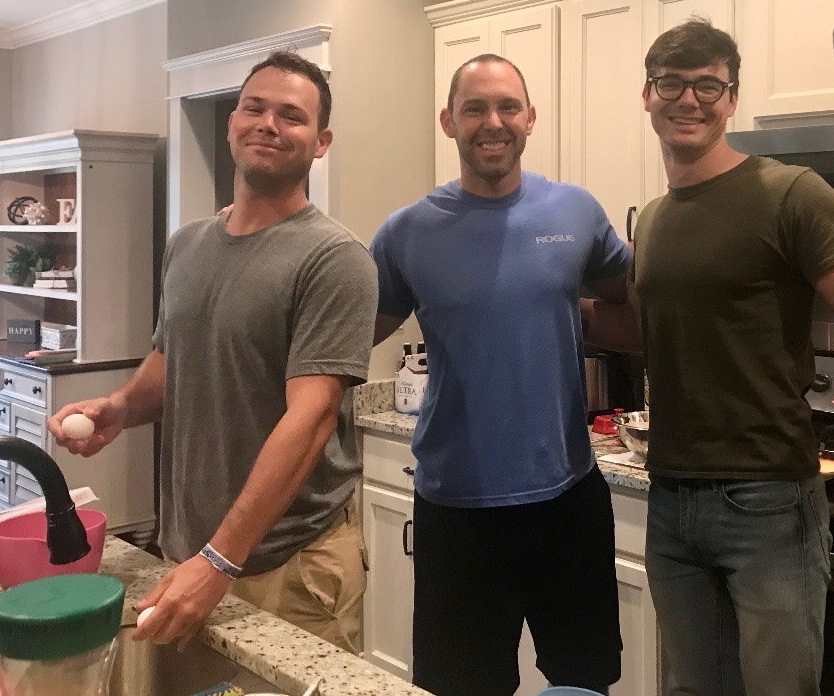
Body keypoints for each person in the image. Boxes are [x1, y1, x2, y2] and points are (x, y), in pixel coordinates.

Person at [584, 19, 834, 696]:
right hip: (671, 493)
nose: (689, 99)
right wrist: (534, 295)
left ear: (731, 99)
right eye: (671, 83)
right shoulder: (653, 218)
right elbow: (647, 329)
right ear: (646, 96)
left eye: (708, 85)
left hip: (765, 498)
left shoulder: (788, 193)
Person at [48, 50, 378, 652]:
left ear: (321, 142)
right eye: (254, 108)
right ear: (232, 125)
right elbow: (173, 359)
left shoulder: (334, 259)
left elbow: (312, 418)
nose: (268, 124)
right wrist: (120, 407)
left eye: (291, 116)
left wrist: (220, 559)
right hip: (191, 553)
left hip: (289, 566)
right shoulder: (187, 246)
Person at [369, 54, 629, 696]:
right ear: (448, 121)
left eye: (508, 106)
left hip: (568, 498)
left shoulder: (575, 212)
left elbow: (636, 305)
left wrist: (572, 310)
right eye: (475, 108)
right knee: (462, 687)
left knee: (584, 683)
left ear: (530, 117)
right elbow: (347, 340)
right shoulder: (407, 233)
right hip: (457, 508)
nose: (493, 122)